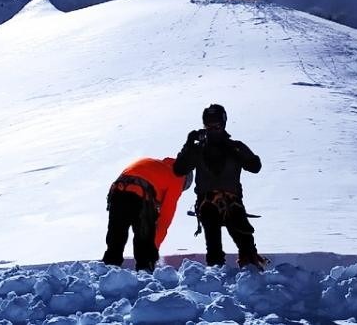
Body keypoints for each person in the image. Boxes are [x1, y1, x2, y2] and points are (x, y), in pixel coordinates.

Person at [173, 104, 267, 270]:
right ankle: (216, 273)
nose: (212, 130)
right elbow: (179, 169)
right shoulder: (198, 149)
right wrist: (188, 144)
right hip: (207, 203)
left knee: (244, 238)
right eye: (208, 126)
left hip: (232, 202)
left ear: (223, 124)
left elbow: (255, 167)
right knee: (213, 242)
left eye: (216, 126)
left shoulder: (234, 147)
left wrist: (240, 152)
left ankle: (250, 269)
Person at [102, 157, 193, 272]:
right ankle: (145, 273)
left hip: (117, 192)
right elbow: (164, 220)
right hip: (140, 196)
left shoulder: (154, 164)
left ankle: (109, 270)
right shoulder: (178, 177)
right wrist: (154, 247)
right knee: (144, 239)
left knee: (116, 235)